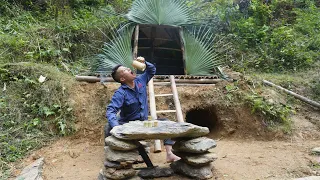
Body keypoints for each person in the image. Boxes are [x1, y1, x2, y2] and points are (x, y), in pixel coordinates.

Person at [105, 57, 180, 163]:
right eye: (124, 70)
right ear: (122, 79)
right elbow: (111, 110)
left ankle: (169, 154)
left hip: (145, 123)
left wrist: (144, 62)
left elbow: (152, 70)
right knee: (108, 127)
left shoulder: (140, 80)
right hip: (129, 125)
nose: (128, 68)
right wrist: (117, 127)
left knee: (166, 123)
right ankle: (114, 156)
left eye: (127, 67)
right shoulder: (120, 93)